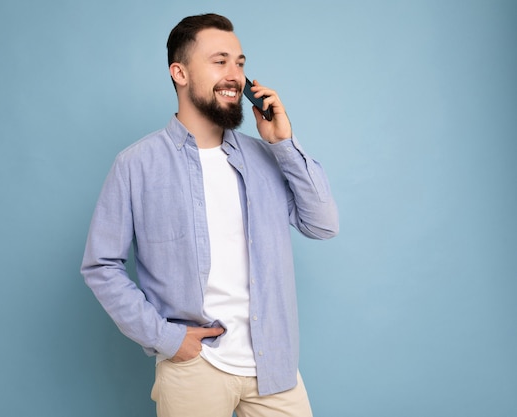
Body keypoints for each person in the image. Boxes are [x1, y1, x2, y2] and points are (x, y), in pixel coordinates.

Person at [81, 13, 339, 417]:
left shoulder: (265, 157)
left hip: (274, 366)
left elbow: (323, 224)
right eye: (220, 62)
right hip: (195, 368)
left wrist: (285, 144)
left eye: (239, 62)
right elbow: (101, 265)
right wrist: (165, 338)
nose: (235, 75)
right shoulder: (137, 165)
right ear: (179, 72)